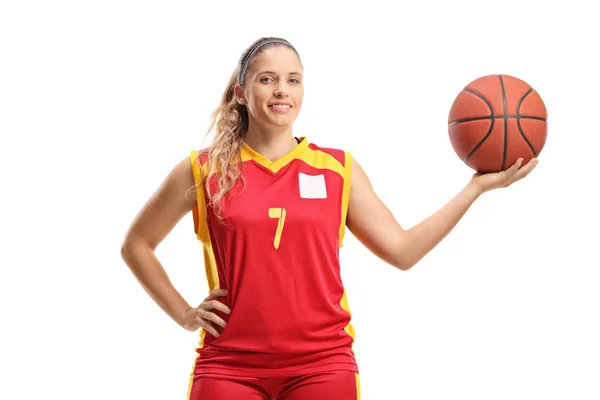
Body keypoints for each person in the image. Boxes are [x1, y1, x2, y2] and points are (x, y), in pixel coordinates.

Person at [120, 37, 538, 400]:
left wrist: (475, 189)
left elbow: (403, 251)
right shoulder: (204, 170)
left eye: (293, 79)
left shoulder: (338, 170)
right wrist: (183, 313)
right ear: (241, 93)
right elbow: (136, 245)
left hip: (322, 364)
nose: (281, 90)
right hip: (229, 364)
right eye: (267, 78)